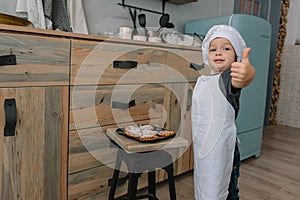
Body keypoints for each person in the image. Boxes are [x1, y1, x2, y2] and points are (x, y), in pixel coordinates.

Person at [191, 24, 256, 200]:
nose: (218, 52)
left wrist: (247, 73)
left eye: (226, 48)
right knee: (204, 185)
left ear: (236, 57)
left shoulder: (227, 79)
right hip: (203, 148)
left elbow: (241, 79)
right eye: (213, 49)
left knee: (226, 191)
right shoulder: (204, 80)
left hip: (222, 150)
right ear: (207, 55)